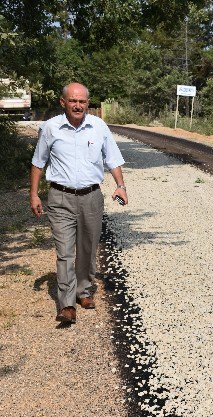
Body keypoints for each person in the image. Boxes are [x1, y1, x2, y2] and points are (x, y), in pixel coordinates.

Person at [30, 82, 128, 324]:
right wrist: (33, 194)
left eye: (82, 101)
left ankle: (83, 291)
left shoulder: (98, 127)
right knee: (65, 252)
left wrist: (121, 185)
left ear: (87, 103)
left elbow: (113, 159)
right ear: (63, 102)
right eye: (73, 101)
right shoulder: (50, 128)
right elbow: (38, 163)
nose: (78, 105)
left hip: (91, 197)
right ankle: (66, 304)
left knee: (87, 248)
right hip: (60, 197)